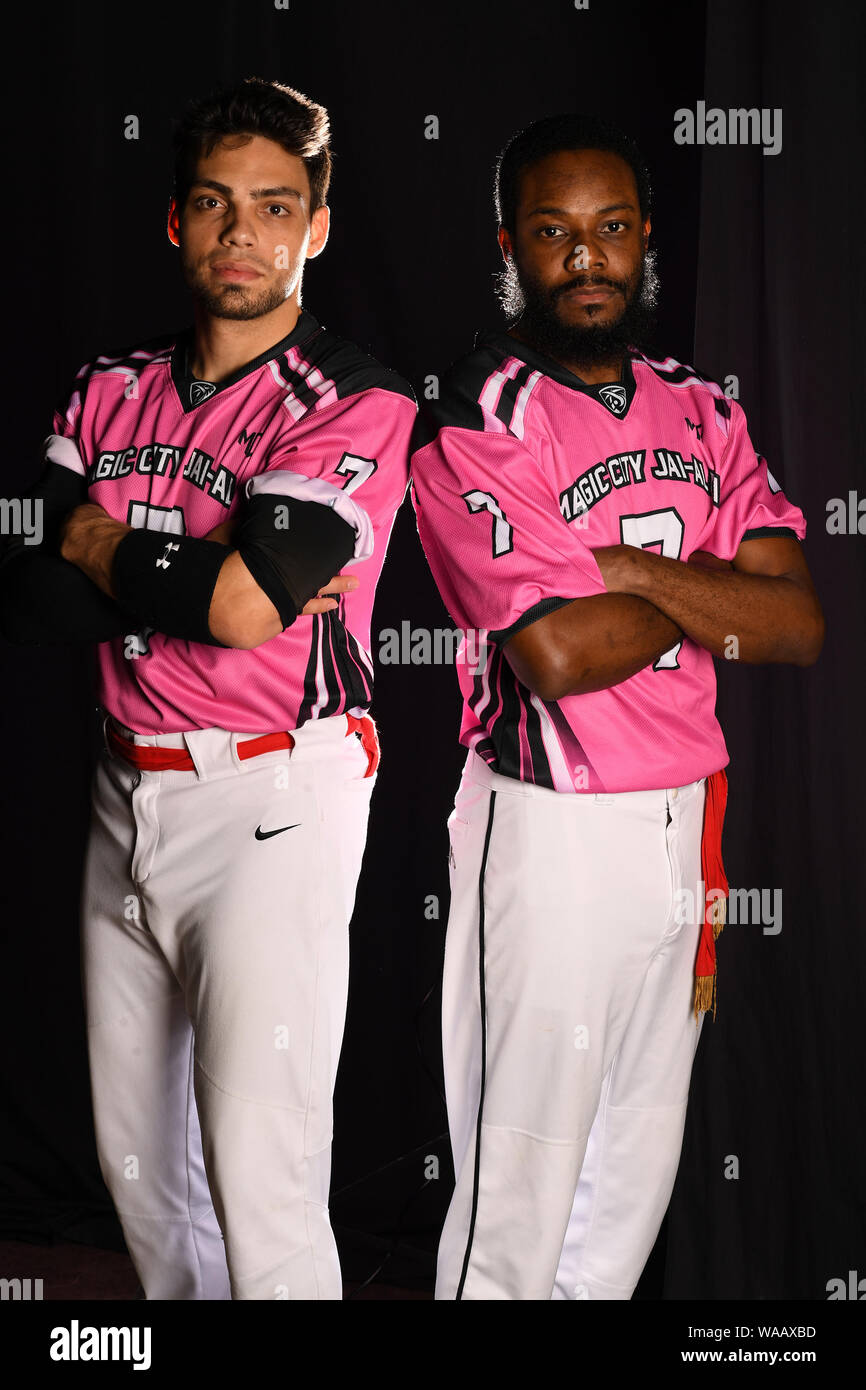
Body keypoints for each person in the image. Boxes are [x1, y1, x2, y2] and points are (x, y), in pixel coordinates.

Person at [0, 77, 416, 1300]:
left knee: (261, 1174)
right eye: (215, 205)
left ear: (316, 227)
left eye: (274, 206)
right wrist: (195, 562)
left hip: (273, 796)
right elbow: (35, 602)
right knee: (141, 1174)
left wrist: (107, 541)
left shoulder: (356, 397)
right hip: (122, 787)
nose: (243, 234)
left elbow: (241, 613)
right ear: (174, 222)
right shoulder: (107, 383)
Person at [409, 114, 824, 1301]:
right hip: (549, 828)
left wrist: (636, 568)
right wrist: (717, 581)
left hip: (680, 822)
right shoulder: (476, 421)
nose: (584, 259)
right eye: (552, 234)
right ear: (511, 248)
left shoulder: (703, 407)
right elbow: (552, 652)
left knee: (626, 1190)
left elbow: (792, 625)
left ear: (643, 241)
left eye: (609, 230)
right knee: (516, 1205)